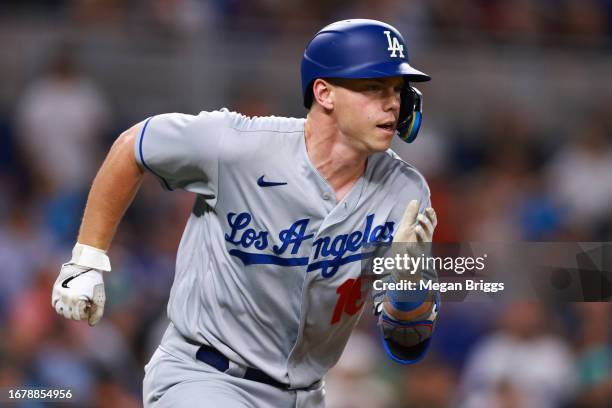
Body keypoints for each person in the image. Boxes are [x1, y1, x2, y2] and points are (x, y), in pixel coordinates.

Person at [51, 19, 440, 407]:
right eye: (373, 87)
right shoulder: (240, 146)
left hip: (308, 395)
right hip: (205, 378)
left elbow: (407, 344)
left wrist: (408, 289)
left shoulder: (404, 192)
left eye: (396, 89)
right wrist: (86, 259)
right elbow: (133, 147)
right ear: (324, 93)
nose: (392, 102)